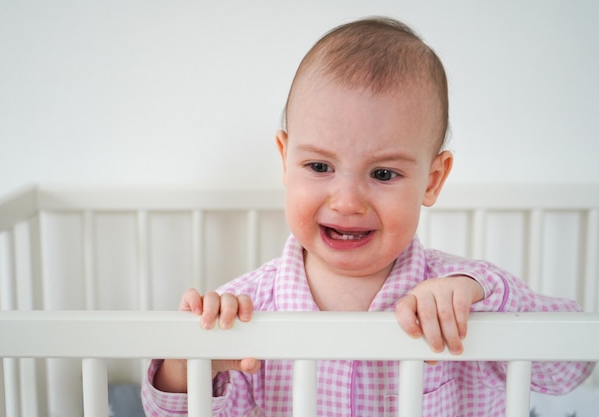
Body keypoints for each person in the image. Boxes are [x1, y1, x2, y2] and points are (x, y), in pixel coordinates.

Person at [141, 16, 594, 416]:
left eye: (383, 173)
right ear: (284, 159)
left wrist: (486, 298)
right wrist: (191, 359)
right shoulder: (243, 313)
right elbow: (168, 412)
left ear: (433, 180)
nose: (348, 201)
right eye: (319, 167)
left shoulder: (466, 298)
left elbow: (573, 365)